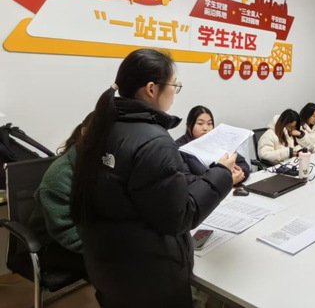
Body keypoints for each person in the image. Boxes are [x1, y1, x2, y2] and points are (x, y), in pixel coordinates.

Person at [71, 48, 235, 308]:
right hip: (150, 280)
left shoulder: (102, 128)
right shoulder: (154, 141)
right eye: (174, 86)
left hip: (108, 269)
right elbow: (180, 216)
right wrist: (223, 174)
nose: (174, 93)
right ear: (151, 89)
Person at [28, 112, 94, 278]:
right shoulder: (59, 176)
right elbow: (67, 233)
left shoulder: (108, 165)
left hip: (91, 234)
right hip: (56, 245)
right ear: (86, 133)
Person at [175, 105, 250, 185]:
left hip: (230, 188)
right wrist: (224, 181)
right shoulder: (178, 148)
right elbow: (187, 179)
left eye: (209, 123)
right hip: (202, 191)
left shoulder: (218, 141)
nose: (205, 128)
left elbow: (242, 164)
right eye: (200, 123)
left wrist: (240, 173)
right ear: (189, 126)